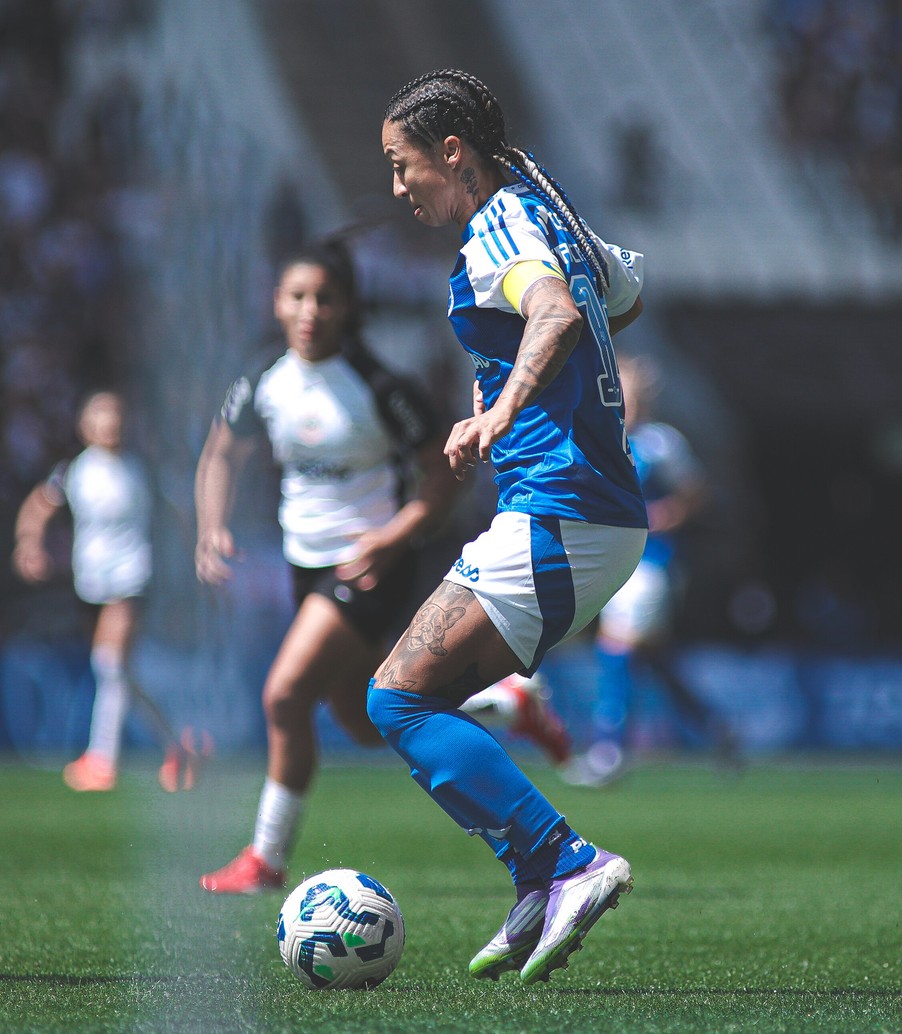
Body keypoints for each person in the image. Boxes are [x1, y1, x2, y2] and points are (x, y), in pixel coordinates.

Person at [373, 69, 648, 985]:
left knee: (396, 699)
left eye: (402, 164)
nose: (399, 184)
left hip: (561, 506)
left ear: (452, 152)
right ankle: (538, 874)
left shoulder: (501, 224)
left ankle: (566, 861)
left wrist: (503, 407)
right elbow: (621, 296)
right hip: (589, 513)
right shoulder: (547, 215)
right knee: (423, 700)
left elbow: (560, 311)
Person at [195, 238, 571, 894]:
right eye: (297, 296)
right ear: (276, 303)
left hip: (369, 566)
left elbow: (443, 475)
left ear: (347, 307)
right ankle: (504, 705)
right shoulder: (263, 383)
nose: (310, 310)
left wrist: (392, 539)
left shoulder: (379, 386)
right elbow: (222, 452)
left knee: (285, 695)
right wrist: (211, 526)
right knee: (367, 724)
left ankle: (265, 860)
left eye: (324, 297)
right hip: (305, 566)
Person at [562, 354, 739, 788]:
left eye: (636, 394)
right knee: (655, 661)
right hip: (611, 563)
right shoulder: (598, 437)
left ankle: (609, 751)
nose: (629, 402)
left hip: (650, 565)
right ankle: (718, 730)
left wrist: (667, 513)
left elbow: (696, 494)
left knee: (616, 650)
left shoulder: (662, 444)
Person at [11, 390, 197, 792]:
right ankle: (176, 747)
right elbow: (37, 507)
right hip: (89, 582)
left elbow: (177, 512)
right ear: (86, 425)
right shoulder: (73, 471)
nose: (109, 423)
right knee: (118, 672)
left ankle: (101, 759)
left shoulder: (141, 469)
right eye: (100, 415)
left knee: (110, 666)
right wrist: (29, 543)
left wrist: (192, 552)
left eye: (115, 415)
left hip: (131, 579)